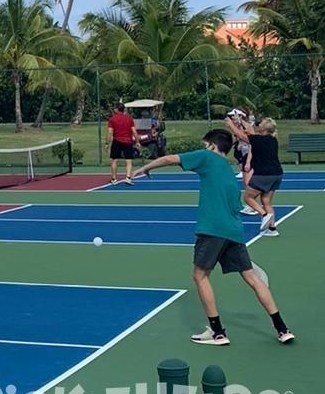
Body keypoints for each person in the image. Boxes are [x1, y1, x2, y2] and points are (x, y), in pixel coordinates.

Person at [132, 129, 294, 346]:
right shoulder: (228, 171)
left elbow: (171, 158)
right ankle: (282, 329)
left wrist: (144, 167)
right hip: (233, 231)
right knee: (253, 279)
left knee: (200, 275)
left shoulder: (207, 156)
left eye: (204, 143)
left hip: (212, 230)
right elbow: (237, 206)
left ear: (211, 145)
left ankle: (217, 332)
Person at [226, 114, 283, 237]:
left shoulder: (257, 140)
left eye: (261, 124)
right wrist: (240, 120)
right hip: (276, 174)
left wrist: (230, 124)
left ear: (264, 129)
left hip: (263, 174)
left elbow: (241, 136)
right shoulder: (272, 140)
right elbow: (249, 131)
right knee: (266, 200)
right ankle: (272, 229)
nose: (259, 125)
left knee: (247, 198)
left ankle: (264, 215)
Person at [105, 103, 139, 185]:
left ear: (116, 109)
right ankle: (128, 178)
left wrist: (107, 143)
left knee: (114, 160)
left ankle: (114, 178)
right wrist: (137, 141)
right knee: (128, 160)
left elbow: (110, 132)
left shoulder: (112, 119)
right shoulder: (129, 119)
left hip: (117, 141)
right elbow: (134, 131)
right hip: (128, 141)